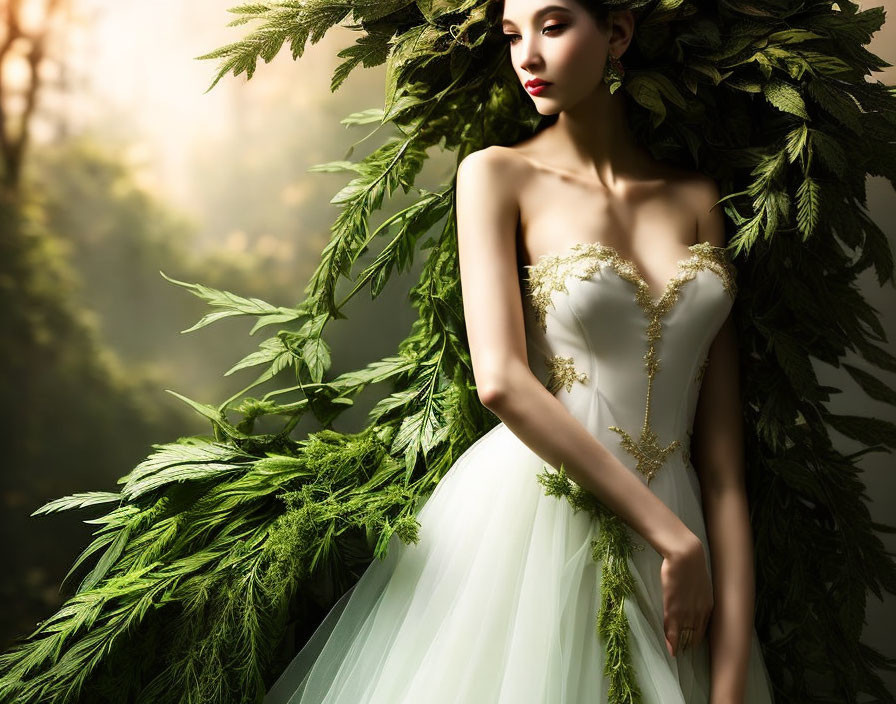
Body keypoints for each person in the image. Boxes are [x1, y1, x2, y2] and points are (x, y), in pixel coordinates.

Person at [262, 1, 776, 701]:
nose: (526, 55)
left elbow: (722, 468)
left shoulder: (695, 196)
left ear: (618, 33)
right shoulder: (496, 174)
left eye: (554, 26)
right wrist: (671, 538)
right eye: (512, 35)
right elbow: (500, 380)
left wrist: (731, 677)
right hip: (541, 517)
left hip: (682, 525)